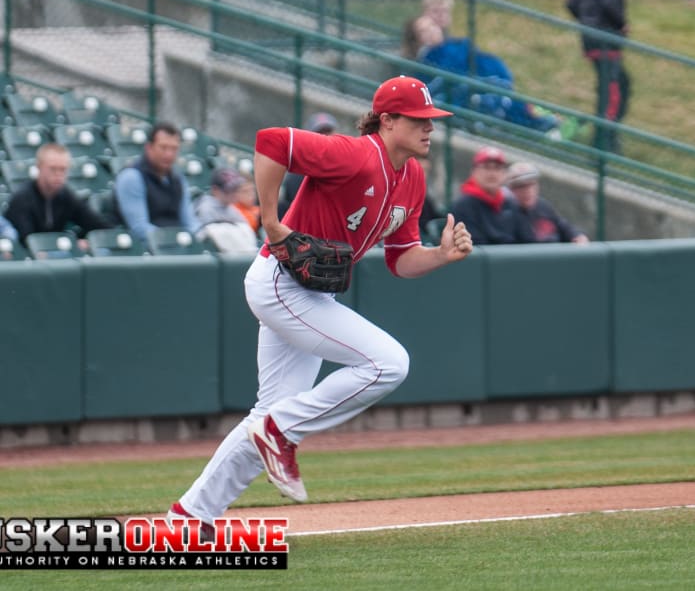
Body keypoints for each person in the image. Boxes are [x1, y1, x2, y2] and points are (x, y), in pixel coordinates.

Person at [167, 75, 473, 531]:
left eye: (432, 120)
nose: (430, 128)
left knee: (267, 411)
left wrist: (441, 256)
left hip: (310, 292)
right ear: (387, 121)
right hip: (281, 282)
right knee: (388, 363)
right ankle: (279, 431)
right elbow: (272, 142)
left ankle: (189, 516)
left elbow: (400, 261)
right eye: (419, 119)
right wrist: (271, 221)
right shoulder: (354, 153)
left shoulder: (413, 177)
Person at [403, 15, 573, 138]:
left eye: (432, 26)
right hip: (469, 94)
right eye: (424, 31)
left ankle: (551, 121)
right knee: (501, 103)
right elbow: (439, 84)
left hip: (485, 82)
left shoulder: (455, 45)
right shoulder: (427, 61)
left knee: (515, 102)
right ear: (417, 39)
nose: (431, 32)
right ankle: (547, 125)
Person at [4, 143, 109, 248]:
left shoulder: (66, 195)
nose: (58, 175)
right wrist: (73, 245)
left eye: (63, 169)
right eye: (53, 169)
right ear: (39, 167)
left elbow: (96, 225)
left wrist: (90, 241)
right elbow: (27, 242)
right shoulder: (22, 198)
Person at [114, 121, 200, 242]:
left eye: (174, 149)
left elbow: (190, 222)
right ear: (149, 148)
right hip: (147, 253)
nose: (169, 154)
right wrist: (175, 240)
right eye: (163, 147)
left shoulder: (178, 180)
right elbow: (140, 229)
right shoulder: (131, 177)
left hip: (178, 247)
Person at [566, 0, 631, 153]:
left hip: (591, 40)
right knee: (613, 92)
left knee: (615, 87)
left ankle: (605, 137)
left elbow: (572, 3)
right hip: (606, 43)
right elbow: (609, 3)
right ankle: (604, 141)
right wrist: (621, 24)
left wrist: (586, 21)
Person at [507, 161, 589, 244]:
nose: (528, 191)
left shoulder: (543, 206)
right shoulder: (506, 213)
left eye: (532, 184)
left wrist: (577, 236)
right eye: (521, 186)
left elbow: (563, 226)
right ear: (511, 189)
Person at [451, 146, 517, 245]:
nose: (492, 173)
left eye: (497, 168)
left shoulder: (509, 203)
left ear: (504, 174)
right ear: (474, 171)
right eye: (486, 167)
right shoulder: (464, 205)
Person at [278, 112, 339, 218]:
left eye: (328, 131)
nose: (325, 136)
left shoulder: (343, 163)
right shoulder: (298, 171)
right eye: (320, 132)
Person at [194, 167, 259, 254]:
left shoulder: (230, 208)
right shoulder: (205, 208)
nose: (233, 193)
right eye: (229, 190)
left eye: (235, 189)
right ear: (215, 190)